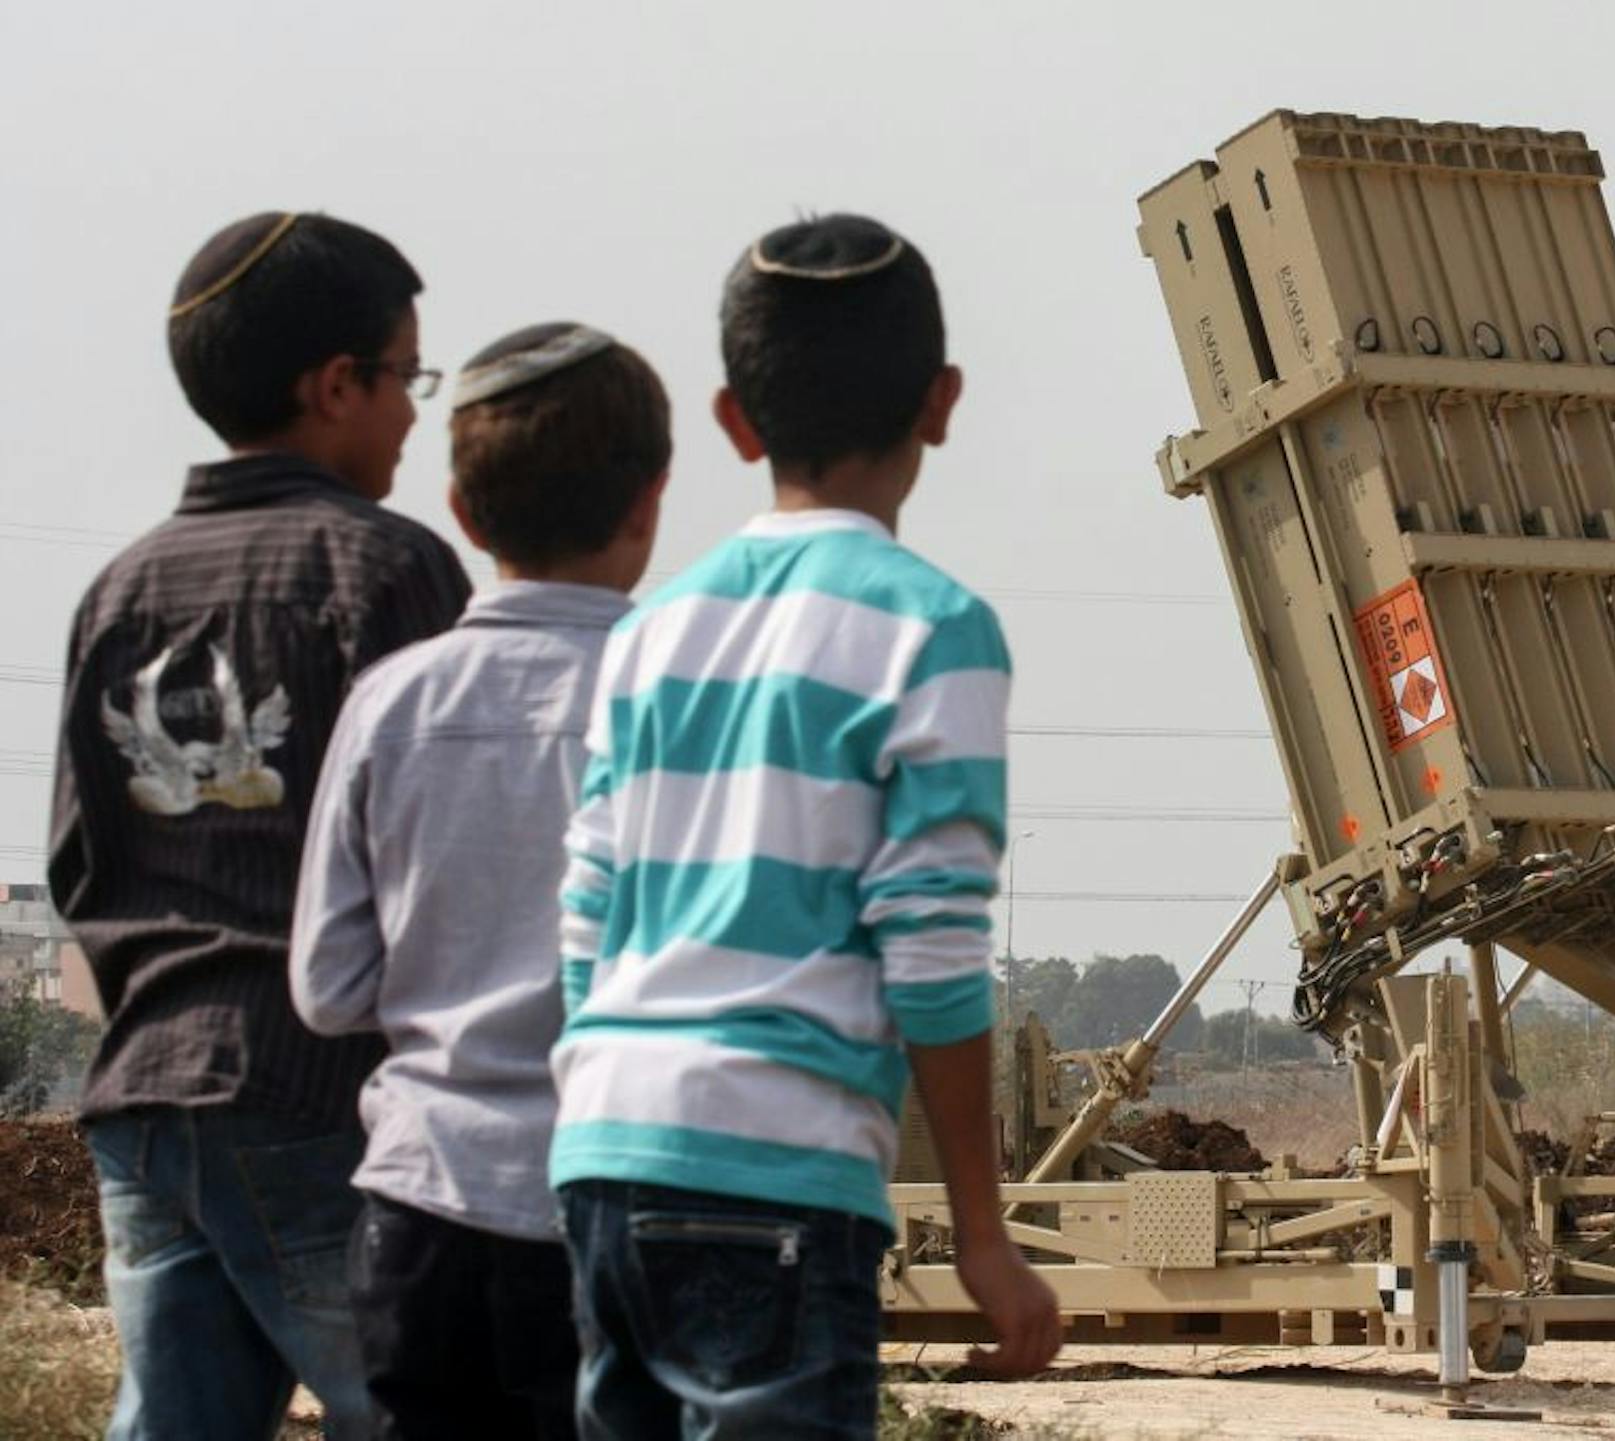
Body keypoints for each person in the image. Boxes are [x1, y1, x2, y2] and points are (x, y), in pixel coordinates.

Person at [549, 213, 1061, 1439]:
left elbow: (585, 916)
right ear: (941, 403)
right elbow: (931, 950)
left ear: (732, 419)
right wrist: (984, 1239)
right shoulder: (933, 629)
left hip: (605, 1160)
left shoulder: (649, 631)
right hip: (773, 1178)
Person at [48, 211, 471, 1440]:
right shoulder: (383, 571)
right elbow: (438, 855)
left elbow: (78, 866)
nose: (412, 413)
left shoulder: (121, 588)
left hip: (142, 1098)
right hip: (316, 1093)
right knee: (418, 1410)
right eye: (407, 377)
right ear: (336, 386)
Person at [290, 323, 671, 1441]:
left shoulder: (393, 703)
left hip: (421, 1215)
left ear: (461, 513)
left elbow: (325, 986)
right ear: (649, 502)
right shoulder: (689, 701)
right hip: (622, 1213)